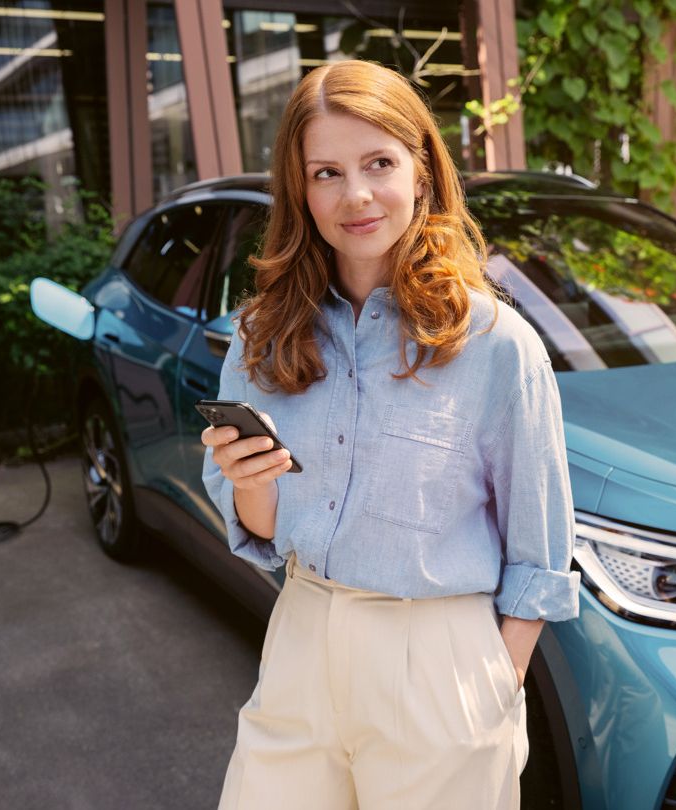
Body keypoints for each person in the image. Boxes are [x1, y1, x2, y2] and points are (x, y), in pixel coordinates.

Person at [202, 59, 578, 810]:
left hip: (438, 662)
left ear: (422, 171)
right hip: (301, 634)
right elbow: (264, 534)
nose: (357, 195)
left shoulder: (497, 345)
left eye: (379, 163)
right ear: (301, 190)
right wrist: (250, 482)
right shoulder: (262, 335)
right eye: (327, 173)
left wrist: (492, 685)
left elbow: (540, 553)